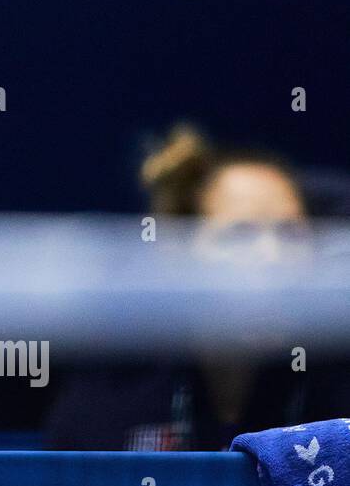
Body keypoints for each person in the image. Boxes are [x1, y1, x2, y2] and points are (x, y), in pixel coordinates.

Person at [44, 124, 350, 451]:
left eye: (290, 233)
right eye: (240, 234)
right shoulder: (114, 386)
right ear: (180, 252)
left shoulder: (337, 379)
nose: (273, 256)